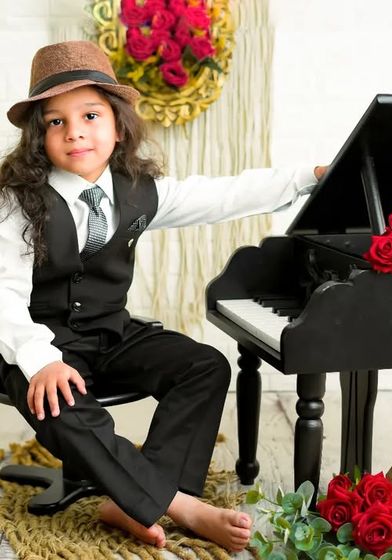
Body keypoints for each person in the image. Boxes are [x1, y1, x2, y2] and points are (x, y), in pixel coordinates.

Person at [0, 40, 327, 551]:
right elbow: (3, 295)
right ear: (38, 137)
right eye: (55, 122)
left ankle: (127, 498)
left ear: (117, 123)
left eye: (89, 114)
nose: (75, 131)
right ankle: (175, 503)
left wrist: (306, 179)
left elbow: (224, 195)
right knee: (61, 404)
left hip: (109, 333)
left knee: (205, 366)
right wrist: (39, 361)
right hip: (34, 343)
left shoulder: (140, 191)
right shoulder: (17, 202)